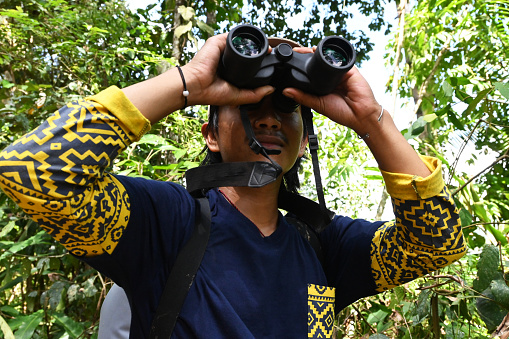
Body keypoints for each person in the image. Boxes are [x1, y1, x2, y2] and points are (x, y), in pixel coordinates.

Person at [0, 30, 466, 339]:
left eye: (287, 110)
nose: (268, 118)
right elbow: (32, 171)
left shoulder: (325, 245)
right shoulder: (167, 223)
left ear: (303, 143)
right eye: (249, 104)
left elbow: (436, 243)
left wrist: (371, 120)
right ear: (210, 136)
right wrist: (188, 84)